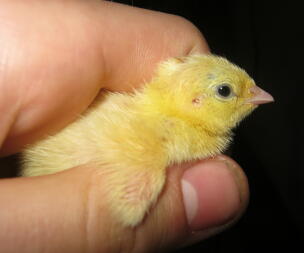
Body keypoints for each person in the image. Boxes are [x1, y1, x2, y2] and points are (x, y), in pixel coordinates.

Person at [0, 1, 249, 252]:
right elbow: (142, 148)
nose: (254, 95)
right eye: (225, 91)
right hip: (55, 176)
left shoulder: (147, 103)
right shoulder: (173, 129)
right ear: (196, 102)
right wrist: (134, 196)